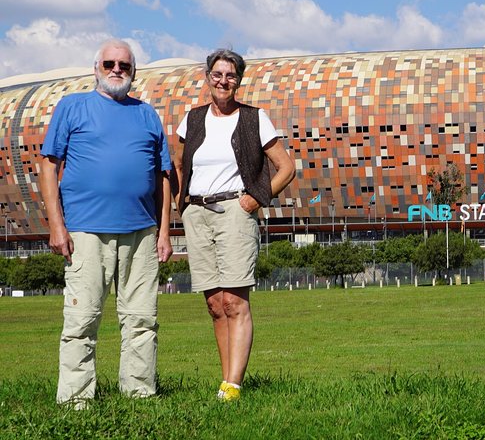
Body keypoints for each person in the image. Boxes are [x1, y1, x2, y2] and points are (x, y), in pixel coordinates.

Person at [39, 39, 173, 409]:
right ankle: (76, 401)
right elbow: (49, 165)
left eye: (125, 66)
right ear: (96, 67)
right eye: (110, 63)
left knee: (142, 320)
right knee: (82, 319)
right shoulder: (72, 107)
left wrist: (164, 232)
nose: (117, 70)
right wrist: (56, 224)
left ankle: (140, 395)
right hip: (85, 230)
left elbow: (164, 177)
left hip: (142, 232)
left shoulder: (147, 114)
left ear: (134, 73)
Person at [173, 49, 295, 401]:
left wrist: (256, 197)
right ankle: (224, 381)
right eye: (217, 74)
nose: (223, 81)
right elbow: (179, 164)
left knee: (234, 300)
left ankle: (234, 386)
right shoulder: (193, 119)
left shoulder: (253, 118)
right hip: (197, 212)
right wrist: (181, 205)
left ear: (238, 81)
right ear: (207, 78)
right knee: (214, 303)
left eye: (230, 75)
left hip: (234, 210)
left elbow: (285, 167)